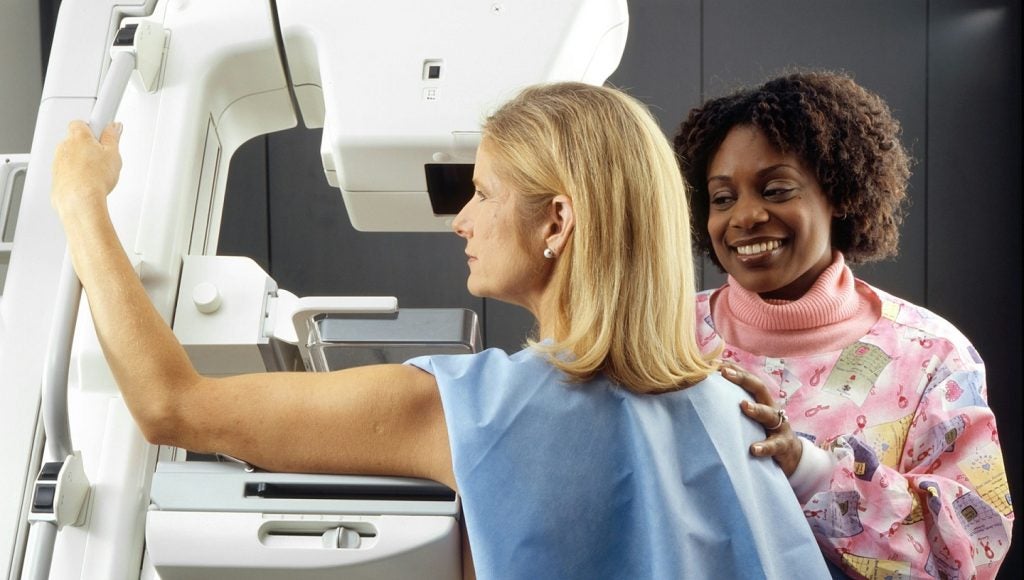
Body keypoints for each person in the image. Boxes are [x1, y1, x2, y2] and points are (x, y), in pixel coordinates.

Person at [51, 82, 829, 579]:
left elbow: (171, 404)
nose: (462, 219)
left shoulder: (468, 408)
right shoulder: (733, 411)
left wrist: (82, 205)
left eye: (483, 193)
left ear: (557, 220)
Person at [674, 70, 1014, 579]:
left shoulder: (932, 355)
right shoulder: (667, 336)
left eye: (775, 189)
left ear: (839, 193)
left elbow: (972, 552)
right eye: (722, 198)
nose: (744, 216)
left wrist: (810, 472)